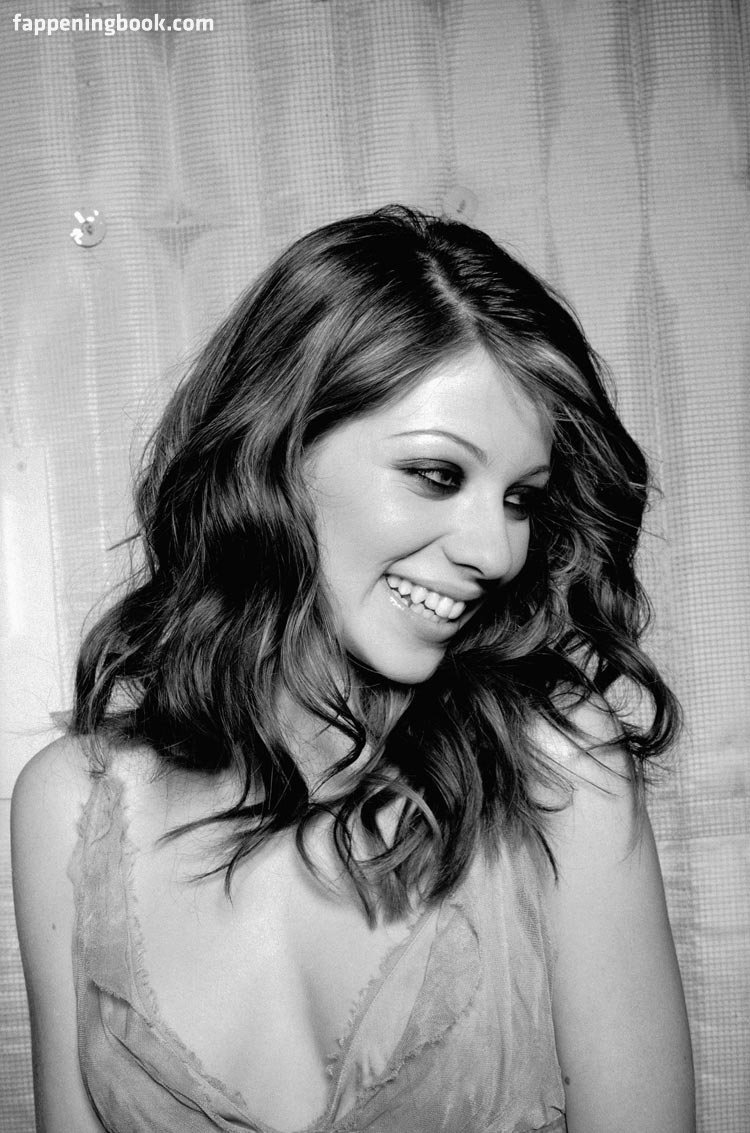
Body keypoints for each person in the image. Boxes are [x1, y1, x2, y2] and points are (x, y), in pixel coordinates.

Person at [11, 205, 695, 1133]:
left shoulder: (557, 769)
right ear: (278, 450)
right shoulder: (70, 804)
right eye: (438, 475)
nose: (496, 550)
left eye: (521, 498)